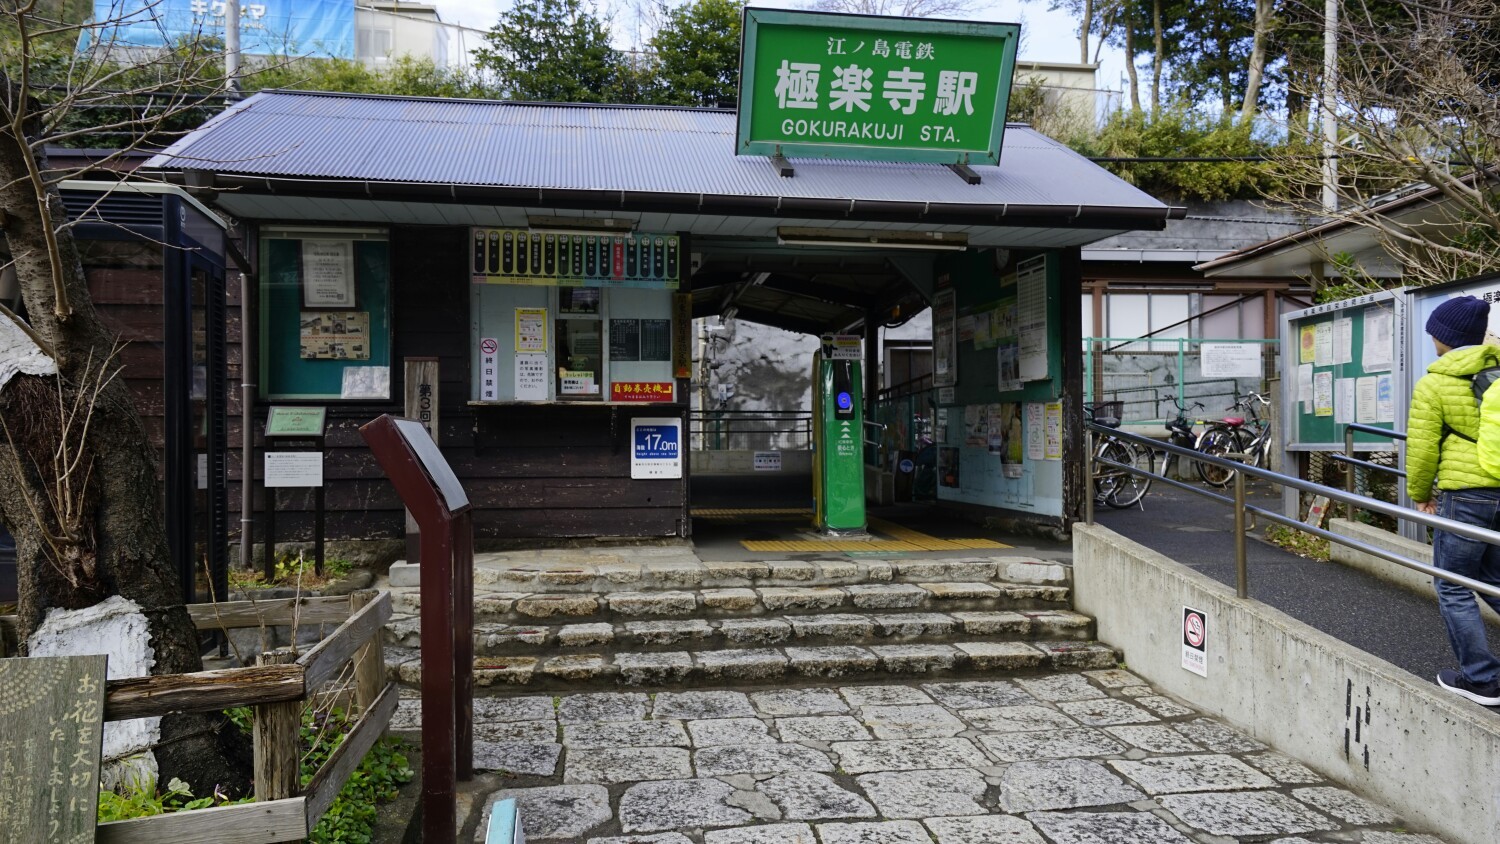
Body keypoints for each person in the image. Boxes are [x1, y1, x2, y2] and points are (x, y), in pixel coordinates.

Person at [1407, 295, 1500, 706]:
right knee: (1493, 580)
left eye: (1434, 333)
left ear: (1445, 336)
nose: (1432, 339)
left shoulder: (1435, 382)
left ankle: (1482, 679)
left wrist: (1420, 493)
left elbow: (1423, 447)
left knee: (1453, 585)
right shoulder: (1497, 372)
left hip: (1466, 495)